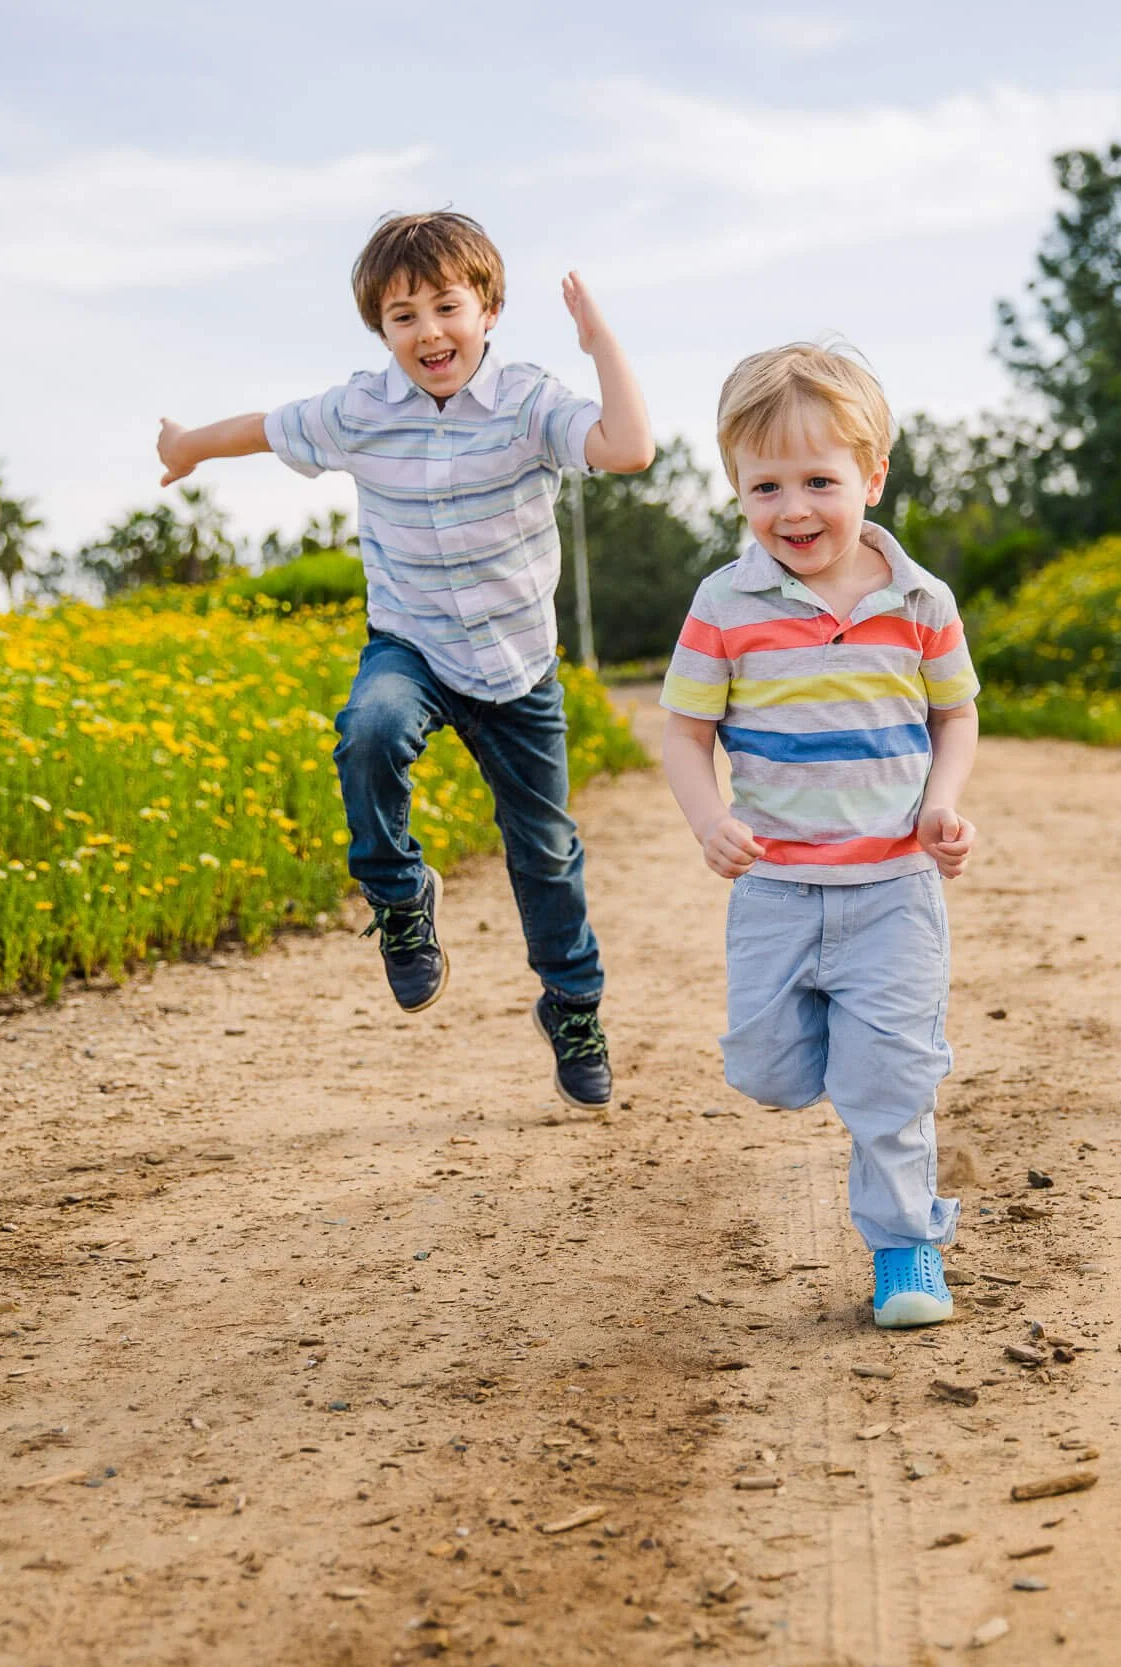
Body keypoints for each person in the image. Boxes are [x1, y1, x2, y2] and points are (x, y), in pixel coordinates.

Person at [154, 211, 653, 1110]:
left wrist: (599, 341)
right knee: (370, 728)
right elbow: (267, 428)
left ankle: (573, 1006)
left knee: (545, 851)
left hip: (517, 669)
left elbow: (629, 448)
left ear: (488, 309)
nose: (428, 332)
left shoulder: (531, 402)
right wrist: (189, 445)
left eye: (446, 307)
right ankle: (400, 900)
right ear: (381, 331)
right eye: (402, 316)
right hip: (412, 644)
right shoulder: (358, 410)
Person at [659, 343, 980, 1329]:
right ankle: (851, 1059)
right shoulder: (725, 604)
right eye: (765, 486)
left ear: (871, 476)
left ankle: (904, 1248)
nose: (792, 509)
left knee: (888, 1080)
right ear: (736, 489)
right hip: (777, 891)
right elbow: (683, 729)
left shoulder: (921, 601)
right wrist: (711, 818)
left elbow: (954, 716)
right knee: (765, 1066)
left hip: (892, 888)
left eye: (818, 482)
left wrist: (944, 800)